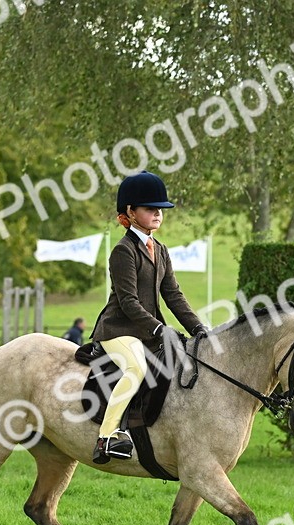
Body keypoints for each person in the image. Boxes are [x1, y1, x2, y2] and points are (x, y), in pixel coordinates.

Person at [88, 172, 209, 464]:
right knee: (136, 368)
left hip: (146, 331)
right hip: (118, 329)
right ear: (130, 212)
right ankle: (106, 437)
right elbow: (128, 302)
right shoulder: (122, 251)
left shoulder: (161, 250)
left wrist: (199, 328)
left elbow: (174, 295)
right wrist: (159, 329)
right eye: (149, 208)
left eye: (160, 209)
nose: (157, 213)